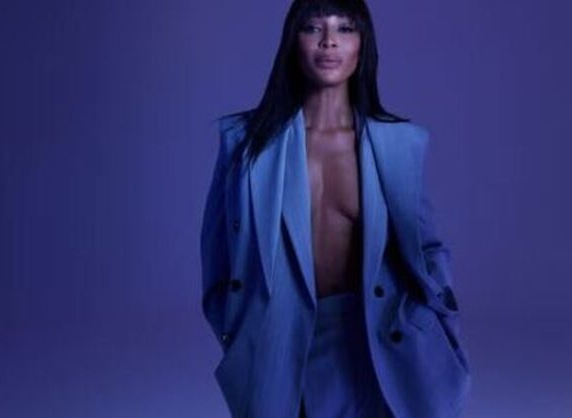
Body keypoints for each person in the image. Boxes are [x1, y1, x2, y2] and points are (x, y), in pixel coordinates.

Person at [199, 1, 472, 417]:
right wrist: (236, 331)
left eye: (345, 28)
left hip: (374, 340)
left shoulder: (400, 144)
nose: (329, 41)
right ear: (293, 42)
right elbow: (217, 252)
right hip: (278, 341)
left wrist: (442, 319)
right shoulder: (244, 144)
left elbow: (427, 247)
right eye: (313, 28)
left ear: (364, 45)